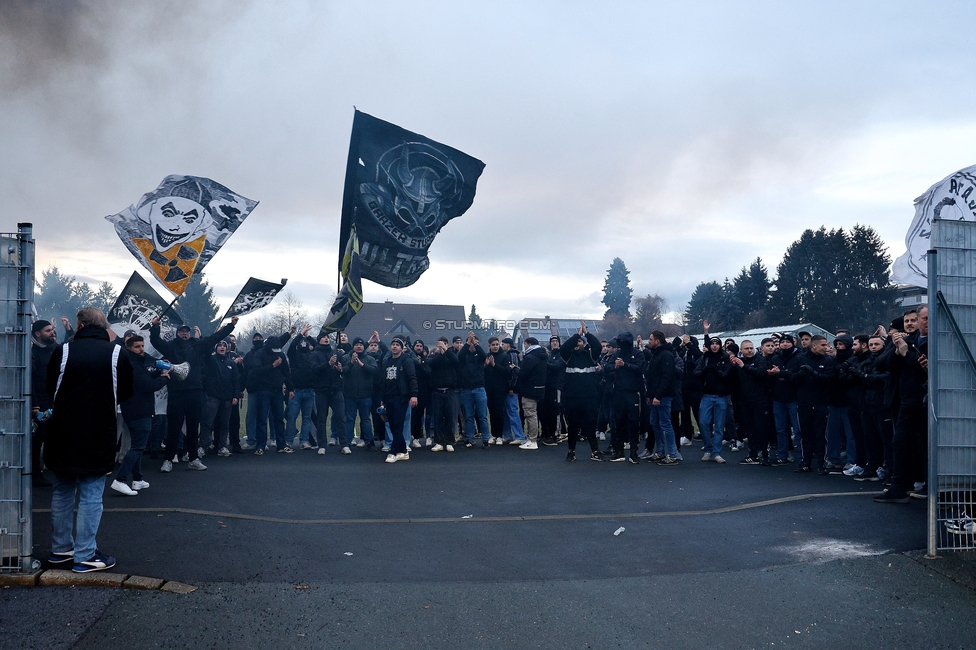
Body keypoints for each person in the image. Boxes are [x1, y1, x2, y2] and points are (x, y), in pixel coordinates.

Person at [44, 307, 134, 573]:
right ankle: (85, 554)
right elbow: (126, 391)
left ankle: (61, 549)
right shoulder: (118, 353)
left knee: (62, 491)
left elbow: (51, 387)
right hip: (98, 431)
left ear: (80, 326)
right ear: (103, 326)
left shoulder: (63, 350)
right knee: (91, 494)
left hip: (62, 430)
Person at [150, 316, 237, 471]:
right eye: (182, 332)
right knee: (174, 427)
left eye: (186, 332)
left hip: (195, 390)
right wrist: (155, 327)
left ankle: (193, 458)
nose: (184, 334)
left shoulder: (198, 345)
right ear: (177, 334)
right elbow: (156, 342)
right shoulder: (171, 347)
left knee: (192, 426)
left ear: (189, 334)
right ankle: (168, 459)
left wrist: (230, 326)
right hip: (176, 391)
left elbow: (215, 337)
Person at [112, 335, 170, 495]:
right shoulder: (134, 365)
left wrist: (157, 373)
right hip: (139, 410)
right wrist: (164, 379)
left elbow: (144, 379)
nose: (141, 349)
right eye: (137, 346)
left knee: (135, 445)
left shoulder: (134, 363)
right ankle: (120, 479)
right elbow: (147, 385)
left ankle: (137, 480)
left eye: (142, 345)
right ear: (129, 348)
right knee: (138, 447)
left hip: (132, 409)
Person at [559, 322, 603, 461]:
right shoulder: (568, 356)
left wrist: (587, 333)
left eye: (580, 341)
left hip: (589, 397)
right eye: (576, 342)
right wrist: (577, 335)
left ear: (584, 343)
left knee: (590, 425)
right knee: (573, 426)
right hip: (572, 398)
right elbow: (565, 347)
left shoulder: (591, 355)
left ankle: (595, 451)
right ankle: (571, 451)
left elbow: (597, 346)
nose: (578, 344)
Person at [30, 318, 63, 487]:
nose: (52, 333)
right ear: (37, 334)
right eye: (48, 331)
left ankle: (53, 467)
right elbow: (31, 380)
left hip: (55, 399)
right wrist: (35, 406)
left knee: (54, 436)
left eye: (52, 330)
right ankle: (35, 473)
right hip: (41, 402)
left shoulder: (55, 349)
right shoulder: (32, 353)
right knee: (38, 439)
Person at [603, 332, 644, 464]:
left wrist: (625, 365)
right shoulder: (617, 354)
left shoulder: (637, 353)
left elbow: (640, 368)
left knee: (633, 423)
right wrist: (615, 366)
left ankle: (633, 452)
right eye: (619, 341)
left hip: (633, 392)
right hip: (618, 392)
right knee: (618, 422)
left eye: (624, 341)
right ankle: (619, 451)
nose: (622, 343)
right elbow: (607, 368)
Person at [644, 330, 680, 465]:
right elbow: (652, 377)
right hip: (655, 395)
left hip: (663, 396)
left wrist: (658, 395)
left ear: (657, 341)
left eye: (651, 339)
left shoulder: (666, 355)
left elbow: (667, 377)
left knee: (665, 423)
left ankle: (672, 454)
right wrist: (650, 395)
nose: (649, 341)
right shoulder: (656, 355)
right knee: (655, 423)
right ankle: (659, 451)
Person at [695, 336, 733, 464]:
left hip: (721, 395)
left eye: (717, 343)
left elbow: (728, 375)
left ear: (720, 345)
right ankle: (708, 448)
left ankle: (716, 452)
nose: (714, 346)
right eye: (712, 343)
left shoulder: (725, 358)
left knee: (719, 425)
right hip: (706, 395)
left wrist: (717, 372)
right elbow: (696, 372)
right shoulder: (705, 358)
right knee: (703, 422)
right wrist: (704, 372)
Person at [200, 339, 240, 457]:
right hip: (213, 396)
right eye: (219, 346)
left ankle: (222, 446)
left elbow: (236, 381)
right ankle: (202, 446)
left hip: (227, 398)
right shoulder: (211, 360)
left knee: (224, 423)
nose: (222, 347)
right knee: (207, 422)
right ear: (216, 348)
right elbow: (206, 353)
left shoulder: (231, 363)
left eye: (224, 346)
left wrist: (235, 395)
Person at [381, 337, 418, 463]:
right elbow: (384, 381)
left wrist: (414, 395)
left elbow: (412, 378)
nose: (394, 347)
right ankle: (403, 451)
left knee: (398, 425)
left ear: (402, 348)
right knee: (391, 425)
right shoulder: (387, 361)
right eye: (393, 344)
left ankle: (393, 451)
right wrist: (383, 398)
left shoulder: (406, 361)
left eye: (397, 345)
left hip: (401, 397)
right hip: (389, 397)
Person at [342, 337, 378, 450]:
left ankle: (369, 442)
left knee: (366, 419)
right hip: (349, 394)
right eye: (356, 344)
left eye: (361, 345)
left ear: (364, 347)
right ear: (353, 346)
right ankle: (346, 442)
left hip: (365, 395)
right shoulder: (345, 358)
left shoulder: (370, 358)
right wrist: (352, 363)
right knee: (349, 419)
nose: (359, 346)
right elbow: (343, 371)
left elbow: (374, 371)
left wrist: (362, 364)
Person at [286, 325, 318, 450]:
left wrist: (308, 336)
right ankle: (288, 440)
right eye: (302, 342)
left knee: (307, 418)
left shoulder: (312, 355)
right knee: (291, 417)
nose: (304, 344)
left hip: (310, 391)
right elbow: (291, 347)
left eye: (306, 342)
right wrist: (300, 334)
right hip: (296, 391)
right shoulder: (293, 356)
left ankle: (304, 440)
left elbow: (318, 346)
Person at [427, 336, 459, 452]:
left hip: (450, 391)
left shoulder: (451, 356)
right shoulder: (434, 356)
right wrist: (440, 353)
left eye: (445, 344)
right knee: (438, 418)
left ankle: (449, 441)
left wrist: (446, 351)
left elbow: (456, 361)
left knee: (450, 417)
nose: (442, 346)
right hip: (436, 391)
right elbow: (431, 364)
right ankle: (439, 442)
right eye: (440, 344)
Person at [517, 337, 547, 450]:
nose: (524, 347)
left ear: (528, 344)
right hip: (539, 388)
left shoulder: (530, 358)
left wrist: (516, 370)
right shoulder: (542, 356)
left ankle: (532, 440)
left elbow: (523, 374)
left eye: (525, 344)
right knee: (533, 413)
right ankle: (531, 438)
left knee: (530, 414)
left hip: (529, 389)